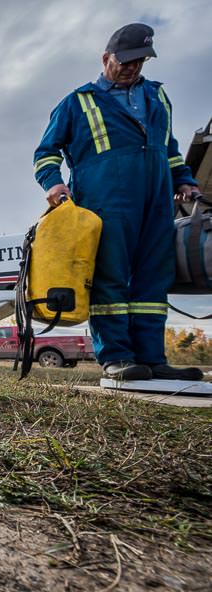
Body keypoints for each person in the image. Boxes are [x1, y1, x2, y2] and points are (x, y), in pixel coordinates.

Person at [33, 23, 202, 381]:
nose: (132, 67)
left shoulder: (157, 97)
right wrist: (54, 184)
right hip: (104, 202)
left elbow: (169, 150)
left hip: (155, 201)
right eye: (125, 61)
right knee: (110, 277)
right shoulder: (77, 102)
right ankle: (116, 355)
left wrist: (184, 180)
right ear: (106, 58)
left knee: (154, 279)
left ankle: (152, 358)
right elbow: (46, 153)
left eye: (139, 61)